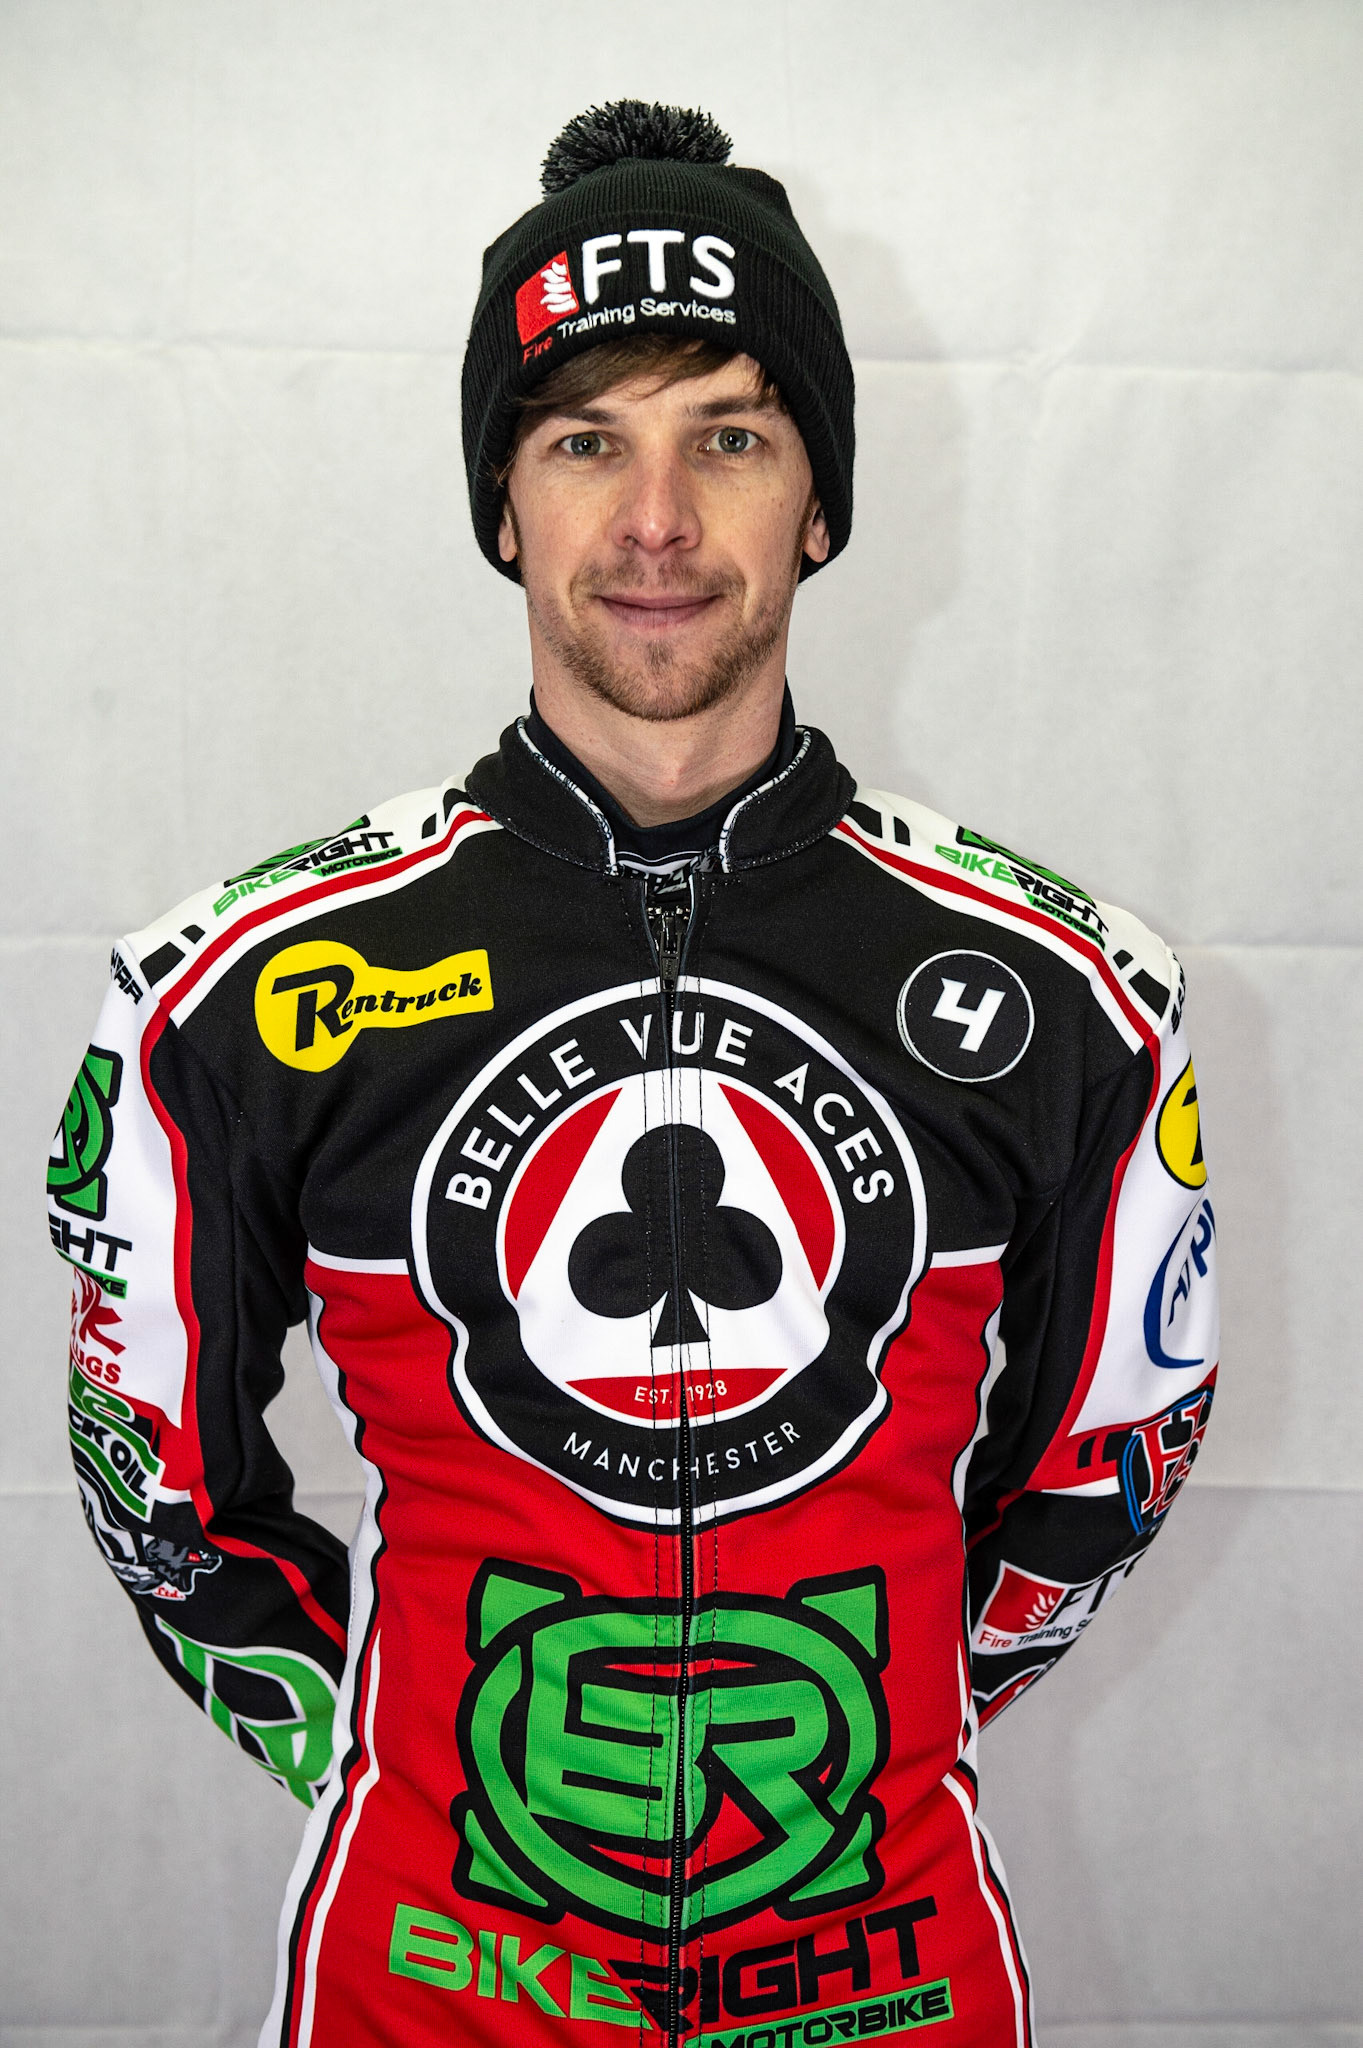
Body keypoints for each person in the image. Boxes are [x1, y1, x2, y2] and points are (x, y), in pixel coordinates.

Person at [48, 102, 1219, 2048]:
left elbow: (1105, 1463)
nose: (656, 520)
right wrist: (428, 1770)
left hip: (885, 1959)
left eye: (729, 438)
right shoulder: (230, 992)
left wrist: (861, 1737)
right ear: (503, 499)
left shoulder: (1073, 988)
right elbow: (160, 1489)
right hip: (434, 1968)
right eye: (587, 439)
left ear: (819, 503)